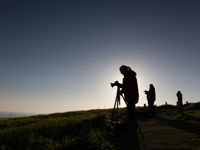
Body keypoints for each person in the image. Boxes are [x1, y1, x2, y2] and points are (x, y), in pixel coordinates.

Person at [119, 65, 139, 130]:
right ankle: (132, 127)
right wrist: (120, 85)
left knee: (131, 113)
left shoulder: (129, 75)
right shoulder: (129, 75)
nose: (121, 73)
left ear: (124, 70)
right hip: (131, 96)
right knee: (130, 112)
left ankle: (133, 128)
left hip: (131, 97)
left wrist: (121, 91)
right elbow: (126, 85)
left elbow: (129, 86)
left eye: (121, 71)